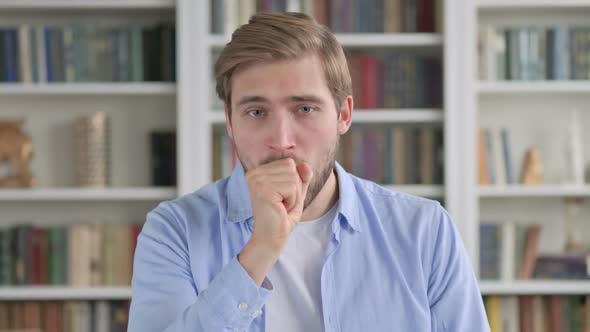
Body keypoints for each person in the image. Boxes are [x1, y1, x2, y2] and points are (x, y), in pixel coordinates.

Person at [128, 12, 490, 332]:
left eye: (304, 109)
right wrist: (260, 251)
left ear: (343, 115)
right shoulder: (174, 231)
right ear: (230, 121)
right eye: (256, 112)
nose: (282, 140)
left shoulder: (425, 230)